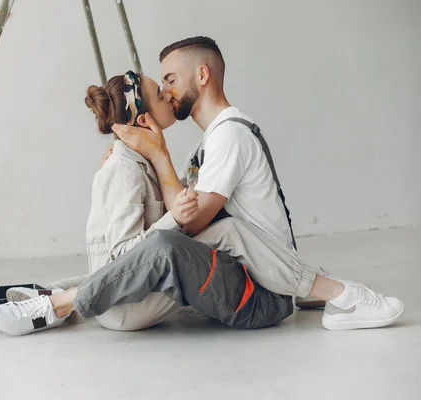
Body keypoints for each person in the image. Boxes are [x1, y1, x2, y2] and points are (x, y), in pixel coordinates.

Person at [110, 36, 404, 329]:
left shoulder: (229, 137)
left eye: (170, 79)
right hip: (258, 273)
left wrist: (160, 156)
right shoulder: (210, 142)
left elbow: (189, 223)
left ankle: (342, 295)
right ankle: (77, 295)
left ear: (202, 75)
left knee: (203, 238)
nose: (166, 92)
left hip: (267, 285)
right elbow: (178, 214)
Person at [0, 71, 294, 335]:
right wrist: (173, 217)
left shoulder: (144, 161)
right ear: (141, 117)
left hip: (130, 289)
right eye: (160, 95)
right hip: (125, 307)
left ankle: (51, 294)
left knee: (216, 235)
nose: (168, 95)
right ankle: (56, 303)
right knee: (199, 239)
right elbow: (124, 255)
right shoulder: (124, 169)